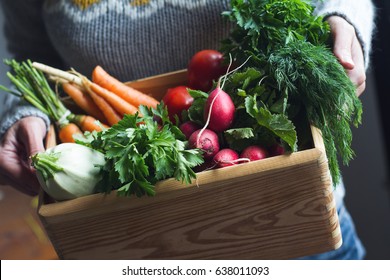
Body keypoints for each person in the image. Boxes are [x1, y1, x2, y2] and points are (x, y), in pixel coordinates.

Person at [0, 0, 375, 259]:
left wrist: (343, 22)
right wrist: (27, 111)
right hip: (129, 238)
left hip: (290, 219)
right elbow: (31, 51)